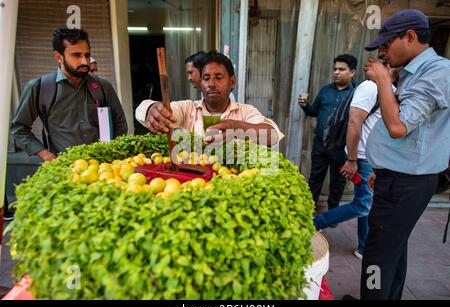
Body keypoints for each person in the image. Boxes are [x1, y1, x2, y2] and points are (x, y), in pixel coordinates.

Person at [359, 9, 450, 300]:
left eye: (386, 44)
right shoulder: (417, 72)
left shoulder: (437, 71)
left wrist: (384, 82)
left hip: (407, 183)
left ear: (410, 37)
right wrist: (382, 167)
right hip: (399, 176)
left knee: (376, 255)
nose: (383, 52)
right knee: (393, 248)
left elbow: (398, 126)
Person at [314, 62, 400, 260]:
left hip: (374, 158)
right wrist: (352, 160)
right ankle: (315, 223)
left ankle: (364, 246)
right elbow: (354, 121)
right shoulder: (371, 87)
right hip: (362, 157)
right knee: (363, 205)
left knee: (366, 203)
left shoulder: (391, 89)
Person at [11, 28, 128, 162]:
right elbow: (19, 127)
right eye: (76, 55)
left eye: (87, 55)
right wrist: (45, 154)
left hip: (103, 167)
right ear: (58, 57)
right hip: (64, 168)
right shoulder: (39, 88)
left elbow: (120, 124)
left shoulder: (102, 87)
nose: (85, 61)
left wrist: (113, 153)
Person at [136, 50, 283, 147]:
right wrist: (150, 108)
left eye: (218, 77)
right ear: (200, 82)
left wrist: (236, 127)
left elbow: (273, 136)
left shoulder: (245, 112)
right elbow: (151, 110)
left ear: (232, 82)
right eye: (206, 78)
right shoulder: (187, 109)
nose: (211, 84)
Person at [299, 54, 358, 212]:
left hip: (341, 146)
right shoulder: (325, 91)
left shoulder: (357, 94)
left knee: (338, 181)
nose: (336, 72)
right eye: (335, 69)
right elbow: (314, 112)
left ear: (352, 72)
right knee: (315, 178)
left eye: (341, 69)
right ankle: (308, 209)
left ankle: (333, 210)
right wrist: (305, 106)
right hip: (321, 143)